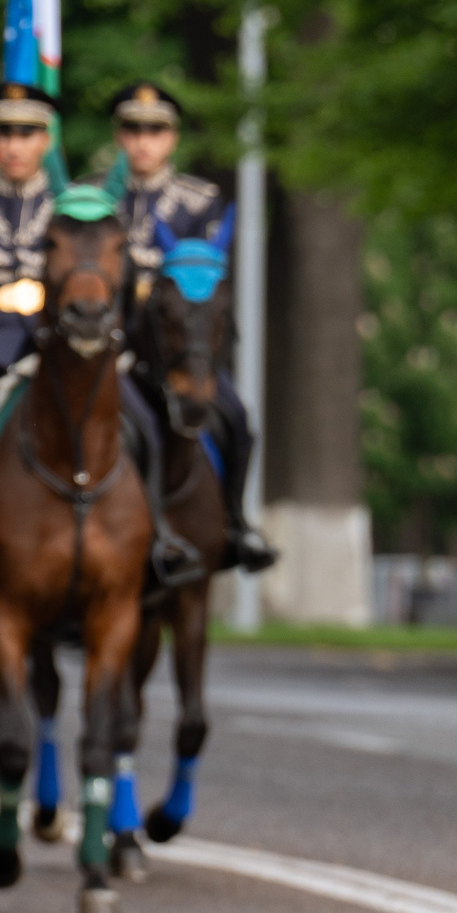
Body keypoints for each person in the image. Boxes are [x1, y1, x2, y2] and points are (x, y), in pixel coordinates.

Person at [0, 81, 204, 604]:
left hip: (63, 338)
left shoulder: (75, 207)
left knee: (142, 419)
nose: (15, 145)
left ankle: (160, 534)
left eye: (27, 133)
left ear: (46, 140)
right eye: (4, 132)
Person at [105, 81, 274, 572]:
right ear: (118, 136)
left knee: (238, 419)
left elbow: (203, 287)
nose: (143, 141)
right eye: (133, 129)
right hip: (114, 347)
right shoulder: (98, 198)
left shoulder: (199, 201)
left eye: (155, 130)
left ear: (172, 138)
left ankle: (237, 523)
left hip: (176, 352)